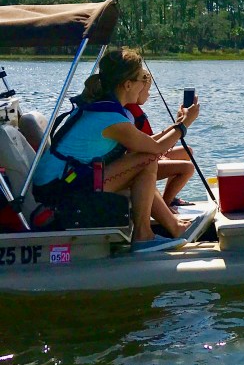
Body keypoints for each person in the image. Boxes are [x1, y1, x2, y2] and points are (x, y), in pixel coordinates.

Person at [33, 48, 200, 251]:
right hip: (61, 189)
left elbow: (146, 142)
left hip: (66, 181)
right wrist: (184, 126)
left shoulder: (107, 110)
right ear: (128, 84)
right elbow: (155, 148)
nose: (144, 83)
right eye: (141, 78)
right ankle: (144, 236)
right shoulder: (110, 120)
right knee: (147, 159)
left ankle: (171, 227)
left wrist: (177, 125)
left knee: (144, 160)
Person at [127, 76, 195, 211]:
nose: (148, 94)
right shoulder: (128, 113)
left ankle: (170, 198)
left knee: (187, 151)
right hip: (140, 162)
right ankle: (165, 205)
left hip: (149, 151)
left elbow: (153, 141)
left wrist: (178, 124)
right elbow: (149, 146)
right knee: (188, 168)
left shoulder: (133, 110)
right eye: (146, 90)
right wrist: (182, 125)